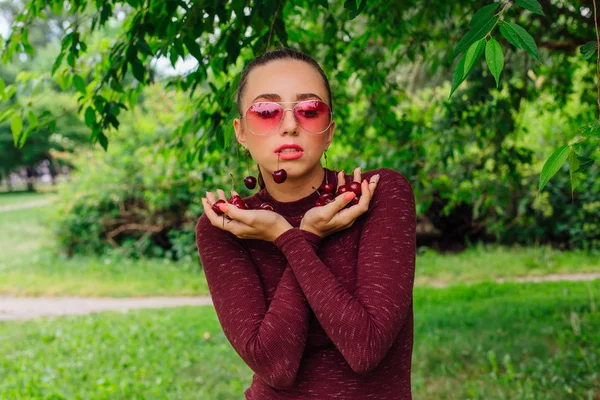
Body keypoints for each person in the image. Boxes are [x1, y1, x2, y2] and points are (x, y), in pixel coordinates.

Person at [196, 47, 416, 399]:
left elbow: (366, 348)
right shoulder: (225, 226)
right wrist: (301, 236)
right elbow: (275, 366)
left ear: (329, 130)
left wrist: (291, 239)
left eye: (309, 110)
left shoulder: (377, 195)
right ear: (241, 132)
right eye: (266, 111)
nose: (289, 126)